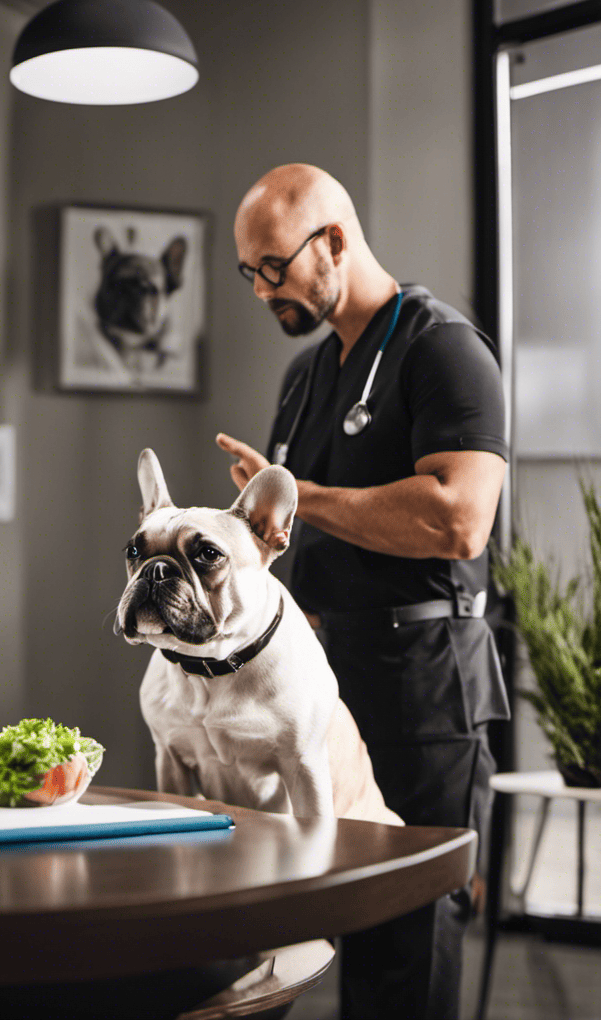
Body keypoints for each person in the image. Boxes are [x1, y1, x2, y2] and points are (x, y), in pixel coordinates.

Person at [217, 163, 510, 1020]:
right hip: (322, 684)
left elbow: (460, 519)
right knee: (289, 928)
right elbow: (286, 530)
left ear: (334, 241)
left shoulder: (442, 348)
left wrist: (299, 494)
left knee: (402, 941)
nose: (264, 289)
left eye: (274, 266)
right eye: (250, 274)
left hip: (424, 688)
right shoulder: (305, 378)